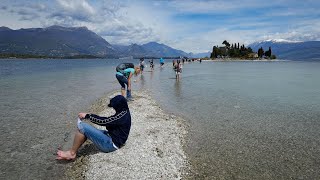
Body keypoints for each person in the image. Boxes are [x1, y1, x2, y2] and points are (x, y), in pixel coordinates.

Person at [56, 95, 131, 160]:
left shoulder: (121, 116)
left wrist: (87, 116)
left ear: (118, 106)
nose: (114, 109)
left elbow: (104, 121)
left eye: (114, 107)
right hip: (114, 139)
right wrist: (90, 115)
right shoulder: (125, 112)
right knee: (86, 130)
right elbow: (110, 120)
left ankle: (71, 153)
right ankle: (73, 151)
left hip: (111, 144)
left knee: (82, 126)